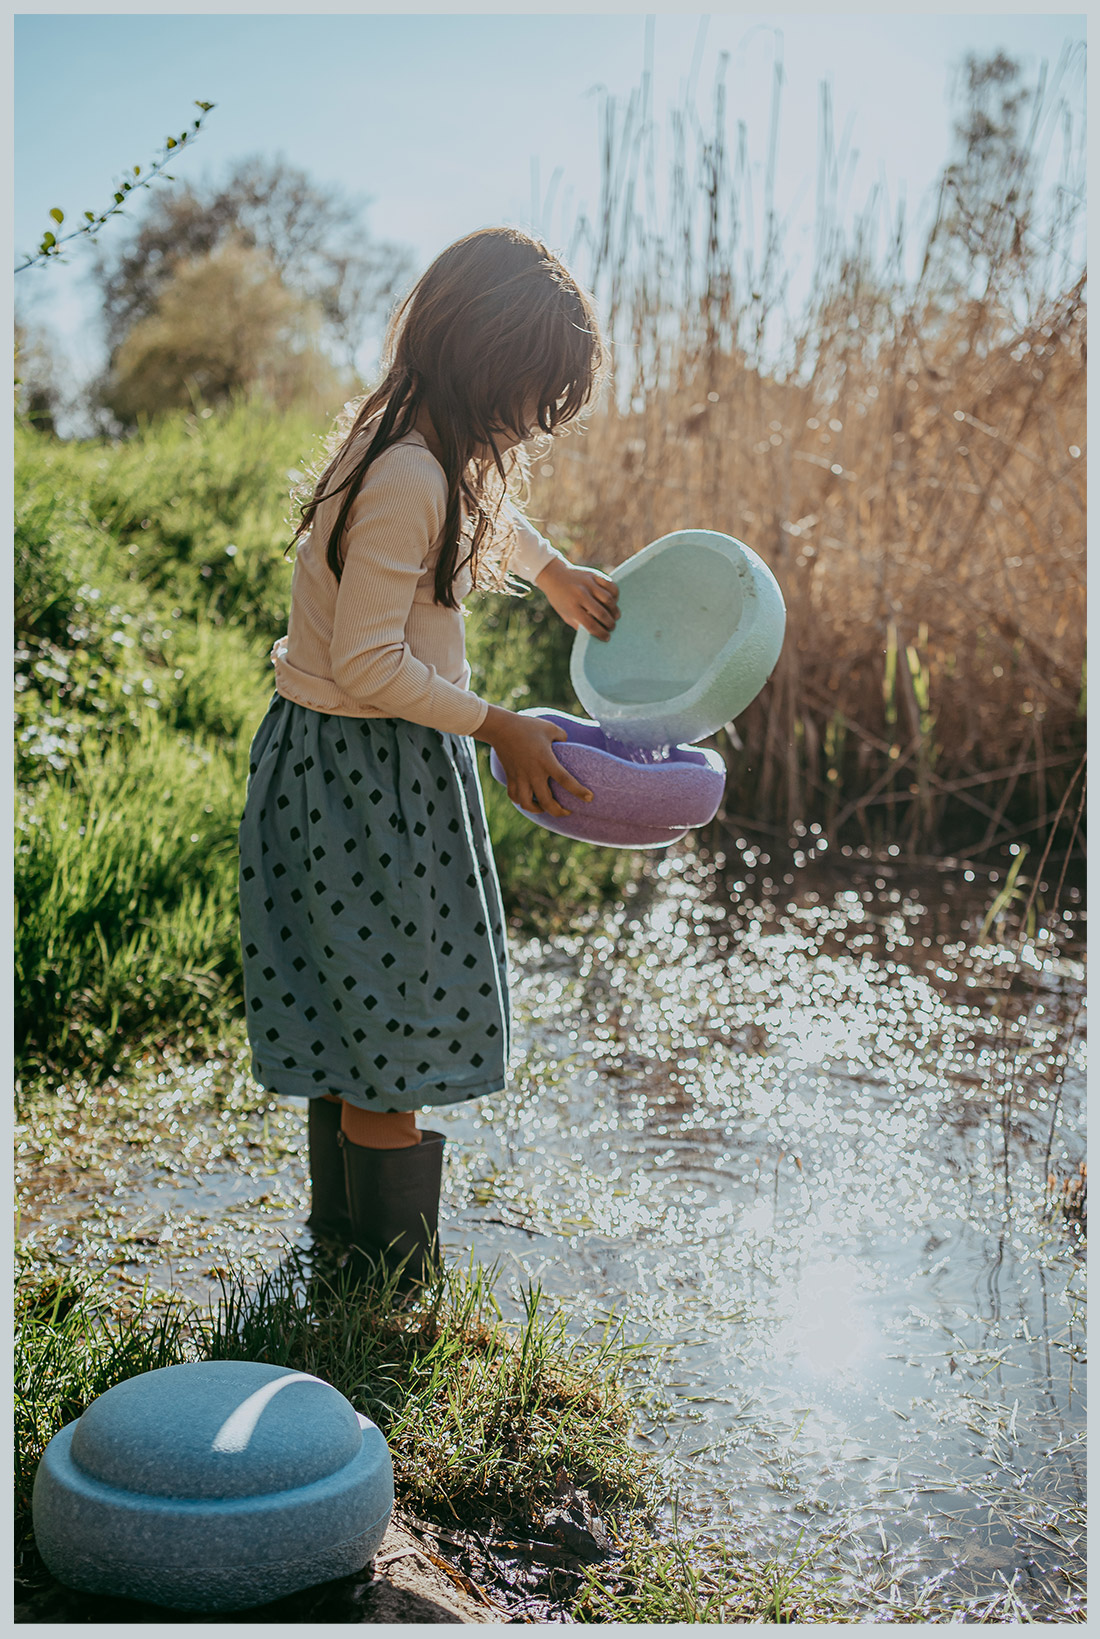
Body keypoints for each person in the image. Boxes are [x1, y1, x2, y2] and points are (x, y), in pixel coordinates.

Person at [237, 227, 619, 1287]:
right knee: (389, 1037)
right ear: (481, 364)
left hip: (336, 767)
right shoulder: (410, 472)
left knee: (349, 1015)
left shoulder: (408, 439)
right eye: (528, 396)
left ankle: (342, 1256)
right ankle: (394, 1289)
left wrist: (547, 572)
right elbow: (367, 663)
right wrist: (499, 722)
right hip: (370, 776)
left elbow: (483, 512)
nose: (528, 424)